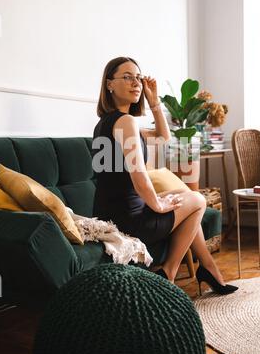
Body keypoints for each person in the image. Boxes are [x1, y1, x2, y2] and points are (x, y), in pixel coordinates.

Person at [92, 56, 238, 295]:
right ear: (109, 84)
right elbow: (139, 176)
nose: (136, 83)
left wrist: (154, 102)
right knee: (198, 200)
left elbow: (163, 136)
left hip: (111, 212)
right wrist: (158, 204)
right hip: (128, 220)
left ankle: (208, 269)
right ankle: (169, 273)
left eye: (138, 77)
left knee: (185, 196)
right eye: (127, 77)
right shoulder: (125, 122)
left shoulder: (110, 123)